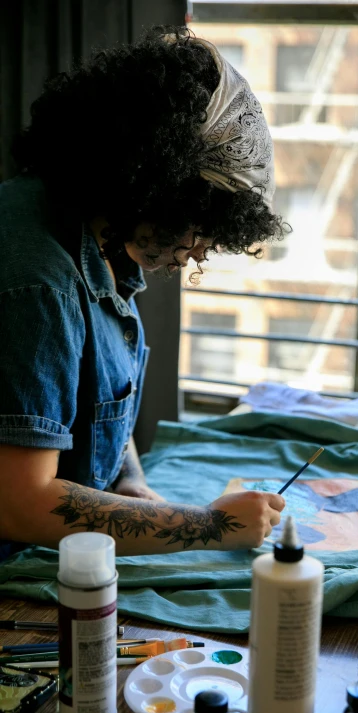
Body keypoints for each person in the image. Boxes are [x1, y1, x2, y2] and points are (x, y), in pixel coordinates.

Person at [0, 26, 287, 559]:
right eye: (201, 227)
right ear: (157, 186)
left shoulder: (93, 232)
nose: (201, 251)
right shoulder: (41, 285)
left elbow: (100, 397)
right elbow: (19, 502)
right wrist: (210, 525)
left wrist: (128, 481)